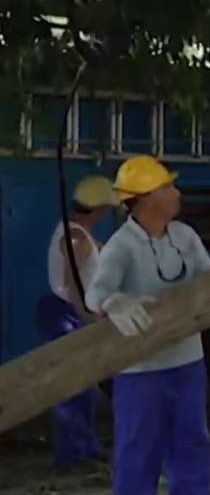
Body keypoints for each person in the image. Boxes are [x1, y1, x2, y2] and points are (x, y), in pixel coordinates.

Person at [84, 156, 210, 495]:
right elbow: (95, 294)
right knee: (137, 454)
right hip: (140, 374)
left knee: (192, 447)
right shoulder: (122, 245)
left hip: (188, 363)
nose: (177, 193)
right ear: (144, 198)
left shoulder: (185, 236)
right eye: (168, 187)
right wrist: (114, 302)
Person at [36, 175, 119, 471]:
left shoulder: (77, 233)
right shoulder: (77, 238)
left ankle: (84, 447)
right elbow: (74, 285)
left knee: (82, 385)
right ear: (97, 208)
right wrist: (89, 318)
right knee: (72, 386)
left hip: (67, 310)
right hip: (66, 312)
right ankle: (72, 454)